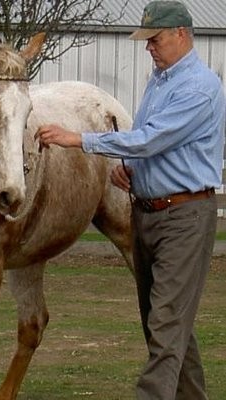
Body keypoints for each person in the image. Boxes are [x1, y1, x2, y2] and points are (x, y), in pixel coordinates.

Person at [35, 1, 226, 399]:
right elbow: (164, 148)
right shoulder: (160, 80)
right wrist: (136, 174)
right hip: (149, 213)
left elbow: (151, 139)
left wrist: (79, 139)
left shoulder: (199, 87)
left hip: (185, 218)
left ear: (181, 35)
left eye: (155, 40)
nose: (149, 48)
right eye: (146, 41)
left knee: (166, 326)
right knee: (167, 326)